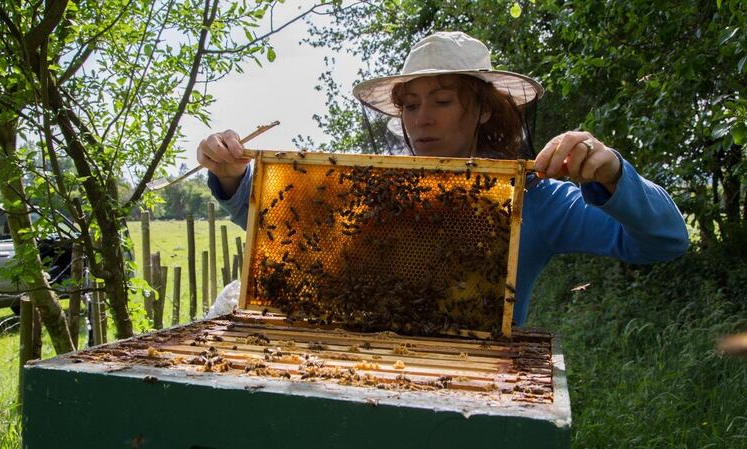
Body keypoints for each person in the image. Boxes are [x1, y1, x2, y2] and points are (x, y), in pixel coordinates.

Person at [197, 31, 689, 327]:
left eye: (442, 101)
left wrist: (614, 174)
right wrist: (232, 175)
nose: (421, 119)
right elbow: (288, 224)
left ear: (480, 109)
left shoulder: (535, 198)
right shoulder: (379, 187)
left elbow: (664, 240)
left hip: (467, 393)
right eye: (410, 105)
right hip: (360, 373)